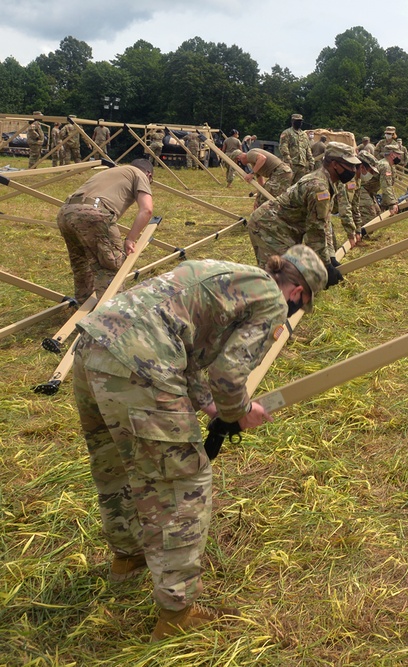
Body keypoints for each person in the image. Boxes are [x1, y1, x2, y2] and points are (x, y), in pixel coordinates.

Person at [71, 244, 327, 641]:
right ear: (297, 292)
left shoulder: (229, 274)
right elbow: (228, 373)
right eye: (302, 304)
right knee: (182, 485)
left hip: (93, 346)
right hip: (140, 364)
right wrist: (239, 409)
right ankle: (176, 612)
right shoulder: (273, 301)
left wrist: (207, 406)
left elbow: (188, 349)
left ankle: (129, 557)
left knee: (114, 463)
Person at [247, 141, 357, 284]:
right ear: (335, 164)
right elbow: (315, 230)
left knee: (297, 279)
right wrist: (325, 266)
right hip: (268, 227)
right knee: (280, 281)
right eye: (350, 165)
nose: (353, 170)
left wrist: (330, 257)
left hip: (286, 228)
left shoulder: (328, 181)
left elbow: (324, 222)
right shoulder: (319, 186)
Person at [57, 159, 155, 304]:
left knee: (81, 265)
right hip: (94, 213)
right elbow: (147, 210)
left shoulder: (112, 171)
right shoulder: (140, 174)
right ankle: (110, 316)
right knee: (111, 266)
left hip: (65, 212)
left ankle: (84, 309)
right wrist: (130, 239)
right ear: (149, 175)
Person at [229, 147, 293, 209]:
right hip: (280, 173)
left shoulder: (250, 154)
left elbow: (262, 158)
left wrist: (251, 174)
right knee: (263, 197)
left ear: (238, 158)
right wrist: (257, 199)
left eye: (237, 162)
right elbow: (261, 184)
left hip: (281, 173)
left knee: (267, 197)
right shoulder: (255, 165)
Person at [280, 113, 312, 184]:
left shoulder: (304, 135)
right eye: (297, 121)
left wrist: (310, 160)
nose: (299, 123)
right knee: (287, 183)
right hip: (291, 163)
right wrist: (288, 159)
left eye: (300, 122)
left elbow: (307, 149)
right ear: (292, 121)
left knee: (299, 185)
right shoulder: (287, 133)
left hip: (302, 165)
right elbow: (283, 146)